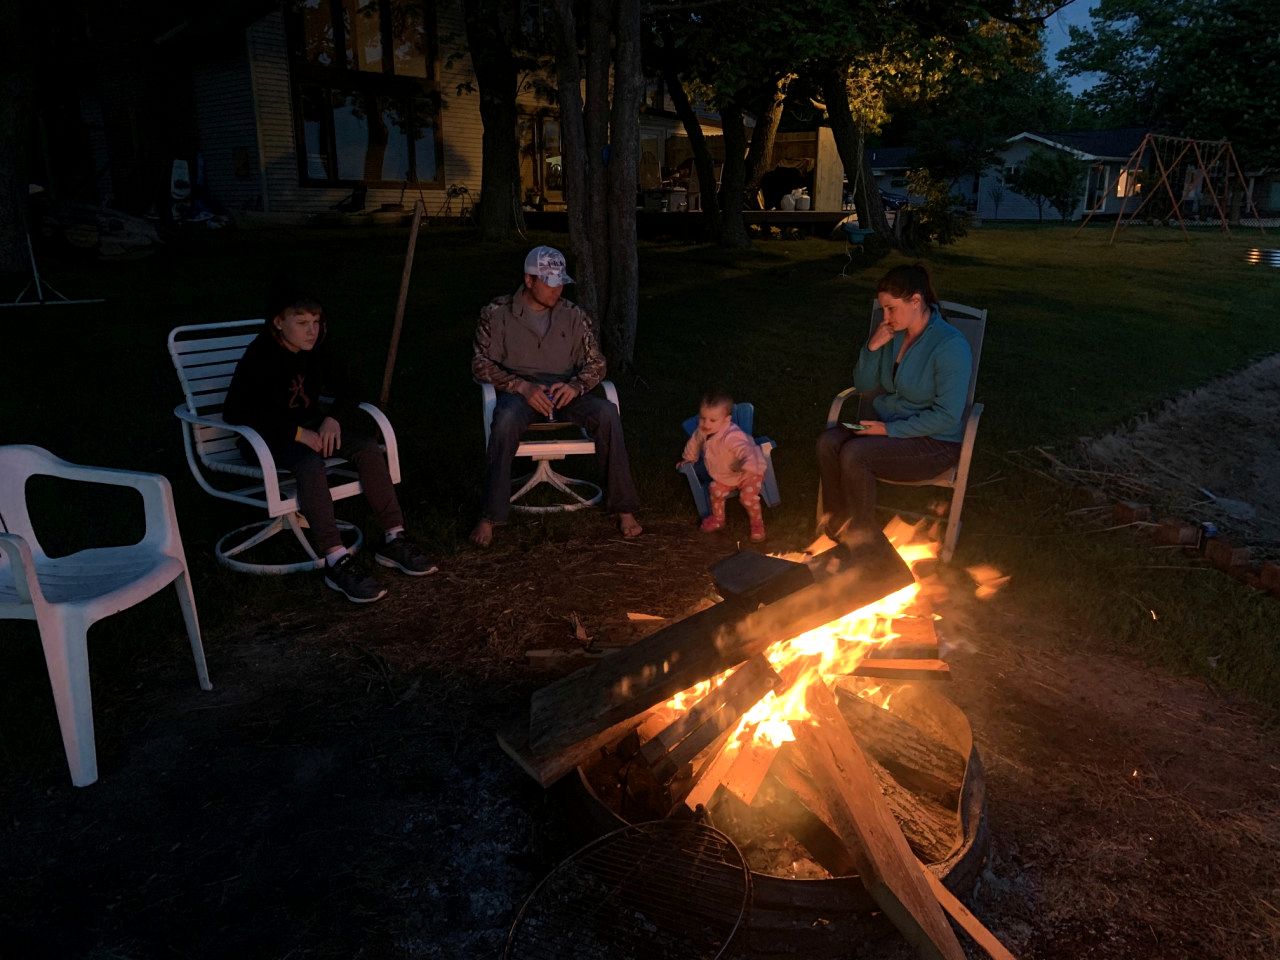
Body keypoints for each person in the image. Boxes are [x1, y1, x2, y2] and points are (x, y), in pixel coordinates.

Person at [223, 285, 436, 603]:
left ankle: (394, 537)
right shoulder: (262, 355)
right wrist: (297, 433)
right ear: (279, 322)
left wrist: (333, 417)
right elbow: (237, 410)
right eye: (302, 322)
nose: (312, 331)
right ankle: (336, 559)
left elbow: (351, 386)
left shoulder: (317, 349)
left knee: (365, 447)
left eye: (316, 321)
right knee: (310, 463)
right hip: (268, 439)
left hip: (312, 428)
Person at [470, 246, 642, 547]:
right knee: (506, 419)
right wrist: (520, 387)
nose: (557, 289)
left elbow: (597, 363)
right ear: (529, 279)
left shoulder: (573, 315)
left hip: (565, 389)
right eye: (550, 282)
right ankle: (491, 515)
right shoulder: (497, 314)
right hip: (520, 390)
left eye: (561, 281)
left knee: (606, 413)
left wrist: (576, 386)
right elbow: (480, 364)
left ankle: (624, 508)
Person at [816, 263, 972, 544]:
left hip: (934, 444)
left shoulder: (950, 345)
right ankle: (838, 529)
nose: (885, 316)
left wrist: (886, 430)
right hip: (889, 427)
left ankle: (865, 546)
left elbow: (948, 416)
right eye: (883, 309)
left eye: (891, 308)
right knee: (828, 442)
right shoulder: (893, 333)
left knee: (855, 454)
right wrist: (872, 347)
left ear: (915, 300)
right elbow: (864, 386)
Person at [677, 390, 767, 542]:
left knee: (748, 498)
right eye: (703, 418)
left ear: (726, 420)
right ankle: (718, 519)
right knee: (715, 489)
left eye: (712, 420)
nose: (706, 424)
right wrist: (688, 458)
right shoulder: (702, 432)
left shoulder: (731, 435)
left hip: (748, 472)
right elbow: (694, 444)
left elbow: (746, 450)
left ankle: (757, 524)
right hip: (725, 475)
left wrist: (748, 466)